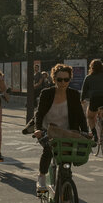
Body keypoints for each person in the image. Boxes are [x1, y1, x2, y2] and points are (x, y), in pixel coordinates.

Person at [33, 64, 88, 193]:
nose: (63, 83)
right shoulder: (46, 93)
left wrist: (86, 132)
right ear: (54, 79)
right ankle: (41, 177)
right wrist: (38, 129)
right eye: (59, 79)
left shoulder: (74, 94)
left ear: (70, 79)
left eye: (66, 79)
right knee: (48, 150)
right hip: (48, 130)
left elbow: (80, 115)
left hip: (67, 131)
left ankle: (66, 186)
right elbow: (39, 113)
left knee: (67, 159)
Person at [80, 59, 103, 140]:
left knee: (90, 117)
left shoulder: (89, 77)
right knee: (102, 116)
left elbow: (84, 90)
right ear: (102, 67)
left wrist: (82, 99)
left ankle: (94, 134)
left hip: (95, 99)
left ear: (92, 68)